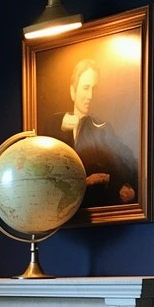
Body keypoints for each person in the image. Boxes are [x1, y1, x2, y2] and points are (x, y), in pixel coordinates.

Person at [46, 58, 137, 208]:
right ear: (73, 91)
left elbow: (127, 164)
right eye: (86, 88)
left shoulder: (104, 128)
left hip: (92, 205)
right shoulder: (55, 123)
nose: (90, 96)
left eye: (95, 89)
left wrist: (105, 178)